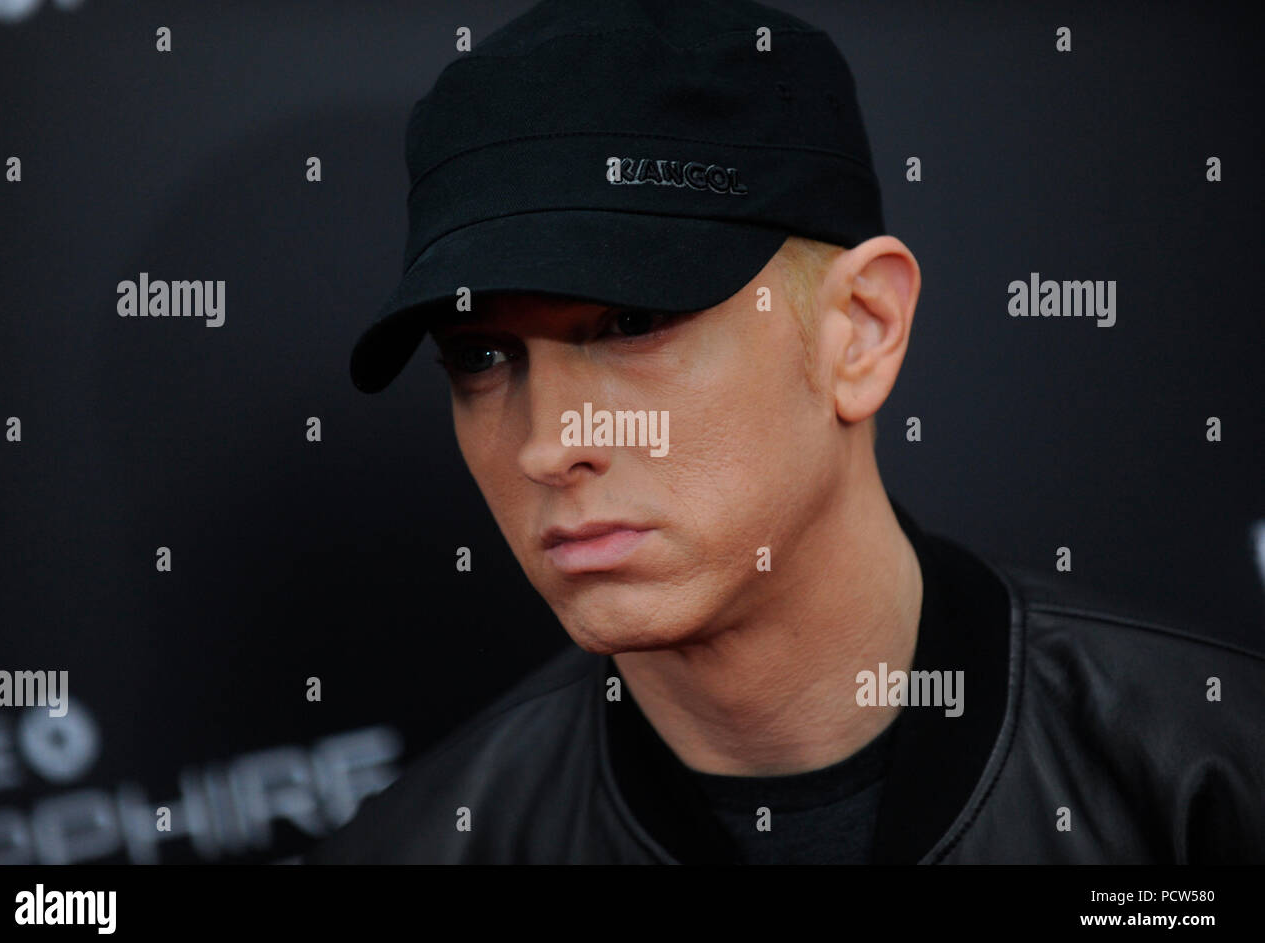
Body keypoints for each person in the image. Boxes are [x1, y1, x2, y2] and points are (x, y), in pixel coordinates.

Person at [309, 0, 1264, 864]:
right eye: (479, 356)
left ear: (861, 332)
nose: (547, 445)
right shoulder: (425, 846)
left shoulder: (1209, 777)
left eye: (633, 322)